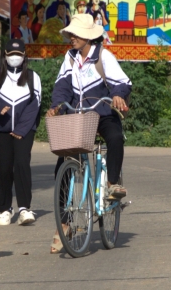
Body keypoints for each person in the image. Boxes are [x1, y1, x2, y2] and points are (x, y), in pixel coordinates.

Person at [47, 13, 131, 251]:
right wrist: (57, 106)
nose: (72, 38)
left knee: (115, 138)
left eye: (76, 34)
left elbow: (122, 82)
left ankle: (112, 184)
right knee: (63, 162)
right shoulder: (70, 58)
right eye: (71, 34)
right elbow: (62, 86)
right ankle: (64, 224)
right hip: (78, 116)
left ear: (88, 37)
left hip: (102, 112)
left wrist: (118, 95)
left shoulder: (103, 56)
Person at [0, 38, 42, 227]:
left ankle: (24, 208)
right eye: (11, 54)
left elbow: (35, 105)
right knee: (3, 168)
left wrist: (21, 129)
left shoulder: (33, 77)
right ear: (5, 55)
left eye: (18, 54)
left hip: (25, 131)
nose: (15, 57)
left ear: (24, 56)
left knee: (22, 164)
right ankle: (4, 209)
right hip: (2, 129)